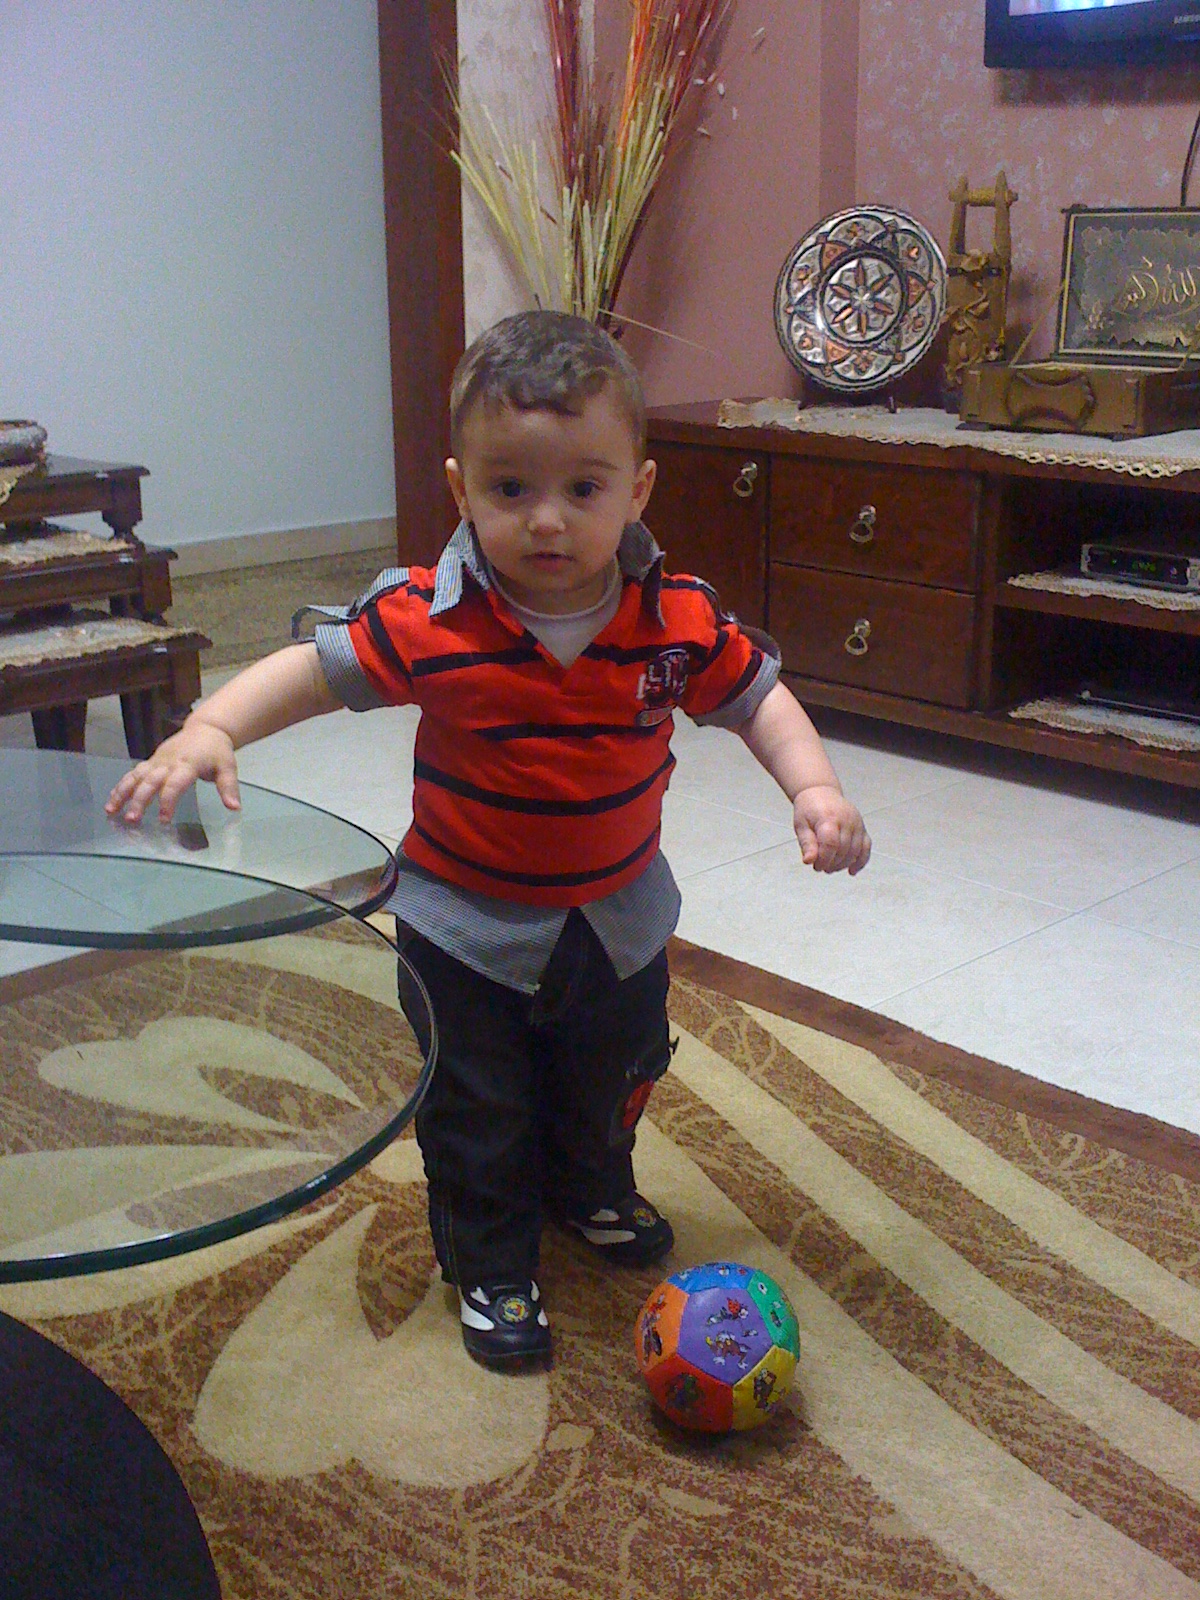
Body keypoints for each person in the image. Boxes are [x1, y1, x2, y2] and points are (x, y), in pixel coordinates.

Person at [107, 310, 871, 1370]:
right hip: (462, 931)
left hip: (617, 923)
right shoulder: (428, 619)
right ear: (461, 490)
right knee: (478, 1112)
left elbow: (759, 701)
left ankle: (591, 1187)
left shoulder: (679, 620)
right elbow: (315, 672)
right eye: (511, 488)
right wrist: (211, 727)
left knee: (612, 1078)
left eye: (584, 488)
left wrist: (815, 785)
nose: (547, 520)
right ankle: (493, 1262)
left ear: (639, 490)